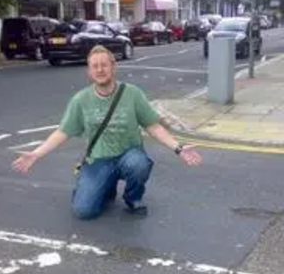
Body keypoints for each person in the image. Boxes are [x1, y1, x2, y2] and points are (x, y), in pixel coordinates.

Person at [13, 45, 202, 219]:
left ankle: (133, 198)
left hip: (128, 154)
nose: (100, 69)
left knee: (139, 164)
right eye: (94, 66)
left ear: (113, 67)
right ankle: (105, 186)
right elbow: (63, 132)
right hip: (98, 160)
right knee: (84, 211)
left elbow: (153, 126)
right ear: (89, 71)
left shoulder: (132, 94)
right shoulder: (81, 100)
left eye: (104, 65)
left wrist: (179, 148)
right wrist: (36, 154)